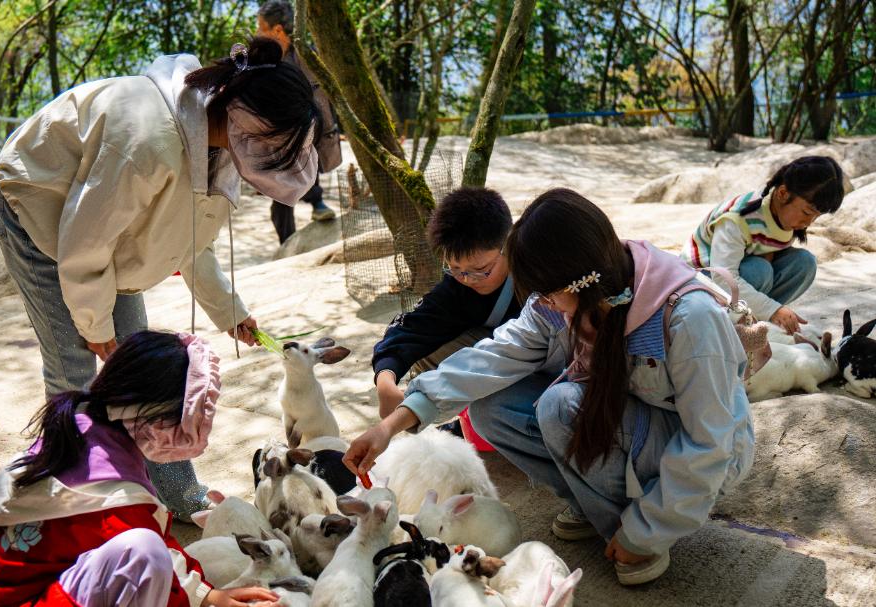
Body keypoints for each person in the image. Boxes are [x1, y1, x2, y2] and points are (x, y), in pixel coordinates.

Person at [345, 188, 755, 586]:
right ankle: (600, 512)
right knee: (492, 408)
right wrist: (391, 426)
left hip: (697, 446)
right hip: (627, 423)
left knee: (559, 405)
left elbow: (710, 442)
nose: (541, 302)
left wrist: (646, 532)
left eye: (546, 291)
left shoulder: (688, 317)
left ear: (577, 280)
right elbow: (491, 356)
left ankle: (638, 531)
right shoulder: (558, 302)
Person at [0, 37, 319, 520]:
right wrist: (96, 328)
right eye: (272, 144)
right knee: (75, 373)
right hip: (41, 212)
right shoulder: (147, 142)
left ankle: (177, 493)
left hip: (100, 235)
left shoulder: (217, 138)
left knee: (143, 370)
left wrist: (229, 311)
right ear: (248, 123)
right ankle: (62, 497)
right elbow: (85, 244)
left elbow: (188, 240)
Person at [0, 331, 281, 607]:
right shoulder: (111, 498)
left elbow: (143, 529)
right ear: (150, 418)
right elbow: (145, 547)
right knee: (142, 554)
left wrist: (203, 594)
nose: (198, 428)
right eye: (188, 416)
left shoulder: (81, 426)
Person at [372, 187, 521, 422]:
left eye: (481, 270)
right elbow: (411, 328)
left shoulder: (536, 273)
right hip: (502, 348)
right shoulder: (458, 285)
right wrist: (385, 379)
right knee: (425, 352)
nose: (468, 279)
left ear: (507, 246)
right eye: (455, 268)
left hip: (542, 357)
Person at [684, 155, 845, 335]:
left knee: (805, 263)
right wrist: (773, 309)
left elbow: (769, 250)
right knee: (760, 270)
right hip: (702, 282)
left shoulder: (784, 215)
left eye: (816, 216)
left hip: (741, 277)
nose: (809, 222)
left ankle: (751, 319)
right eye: (807, 212)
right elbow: (723, 278)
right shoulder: (738, 218)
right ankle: (730, 322)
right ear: (783, 193)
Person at [257, 0, 342, 244]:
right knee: (281, 199)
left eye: (260, 28)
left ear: (278, 31)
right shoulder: (265, 59)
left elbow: (320, 98)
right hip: (276, 137)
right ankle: (288, 243)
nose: (257, 33)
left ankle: (316, 200)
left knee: (299, 162)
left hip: (304, 131)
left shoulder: (306, 54)